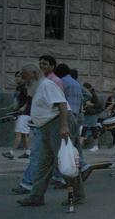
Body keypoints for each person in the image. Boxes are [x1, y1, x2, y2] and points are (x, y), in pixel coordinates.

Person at [17, 64, 85, 206]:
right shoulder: (39, 87)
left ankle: (78, 195)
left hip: (57, 123)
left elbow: (61, 104)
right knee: (44, 162)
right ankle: (36, 196)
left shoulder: (47, 85)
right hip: (47, 126)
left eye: (24, 76)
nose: (23, 80)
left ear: (34, 74)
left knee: (64, 161)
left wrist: (64, 126)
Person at [2, 71, 31, 159]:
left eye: (20, 77)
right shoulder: (19, 87)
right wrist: (10, 107)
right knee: (23, 134)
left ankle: (12, 152)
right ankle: (28, 152)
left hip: (25, 113)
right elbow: (18, 100)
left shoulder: (25, 88)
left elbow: (30, 98)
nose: (17, 78)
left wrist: (24, 107)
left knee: (18, 133)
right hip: (20, 113)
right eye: (16, 76)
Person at [81, 82, 103, 152]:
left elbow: (99, 105)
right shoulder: (87, 94)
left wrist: (90, 105)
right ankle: (81, 145)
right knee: (84, 129)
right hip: (87, 114)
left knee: (93, 129)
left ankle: (95, 146)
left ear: (87, 88)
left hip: (92, 114)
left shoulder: (93, 95)